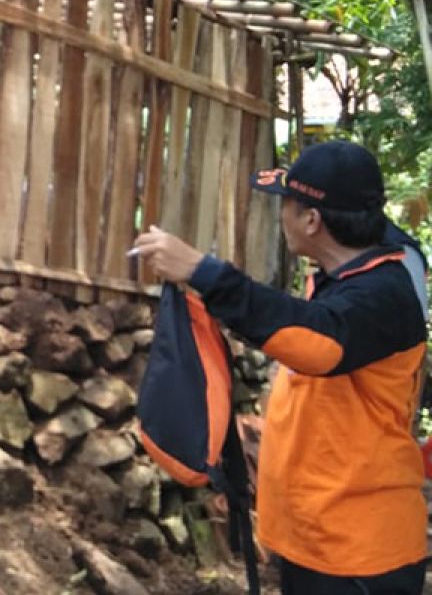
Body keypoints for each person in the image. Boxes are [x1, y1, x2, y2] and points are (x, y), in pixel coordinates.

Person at [133, 140, 427, 595]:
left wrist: (205, 272)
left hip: (358, 556)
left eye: (287, 205)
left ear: (311, 220)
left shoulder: (383, 294)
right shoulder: (337, 278)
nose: (281, 215)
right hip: (315, 541)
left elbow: (318, 343)